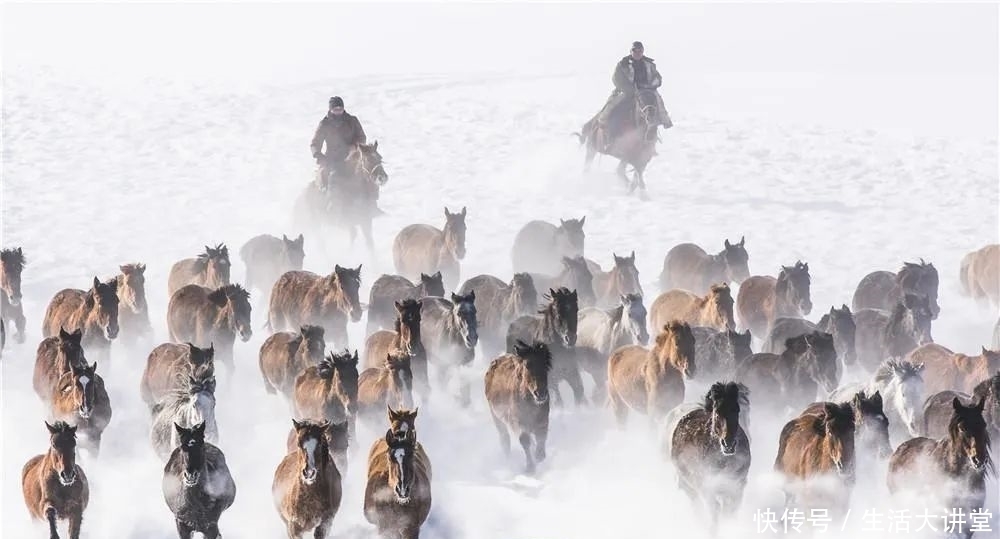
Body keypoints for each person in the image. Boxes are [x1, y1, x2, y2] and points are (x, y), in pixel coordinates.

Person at [589, 41, 672, 142]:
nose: (637, 53)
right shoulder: (623, 64)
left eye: (640, 51)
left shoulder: (649, 65)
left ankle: (664, 121)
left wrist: (651, 85)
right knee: (614, 104)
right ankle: (603, 122)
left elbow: (658, 78)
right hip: (627, 91)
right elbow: (616, 79)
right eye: (635, 51)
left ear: (643, 52)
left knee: (657, 99)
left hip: (646, 91)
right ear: (631, 51)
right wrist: (630, 89)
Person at [310, 96, 367, 186]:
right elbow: (315, 143)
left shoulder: (352, 120)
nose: (338, 111)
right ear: (331, 110)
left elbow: (362, 137)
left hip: (352, 157)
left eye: (340, 108)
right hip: (333, 159)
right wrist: (318, 155)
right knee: (333, 178)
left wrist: (355, 146)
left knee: (367, 173)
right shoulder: (325, 124)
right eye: (335, 109)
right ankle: (332, 198)